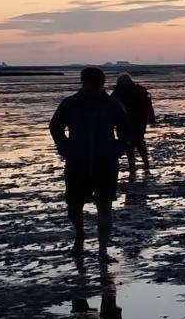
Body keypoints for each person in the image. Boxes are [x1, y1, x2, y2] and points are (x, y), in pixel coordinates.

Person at [50, 67, 131, 257]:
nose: (92, 88)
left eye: (95, 84)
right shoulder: (70, 104)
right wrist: (65, 148)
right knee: (74, 204)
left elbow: (126, 131)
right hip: (78, 160)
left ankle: (102, 249)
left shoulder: (112, 105)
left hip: (105, 161)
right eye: (89, 84)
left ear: (101, 83)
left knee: (104, 205)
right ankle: (80, 235)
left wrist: (117, 150)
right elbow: (56, 127)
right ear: (82, 82)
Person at [110, 73, 156, 176]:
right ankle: (144, 164)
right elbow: (148, 105)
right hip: (138, 121)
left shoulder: (118, 93)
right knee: (138, 142)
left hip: (127, 122)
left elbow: (111, 107)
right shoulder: (139, 90)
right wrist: (151, 117)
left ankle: (134, 166)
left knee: (130, 143)